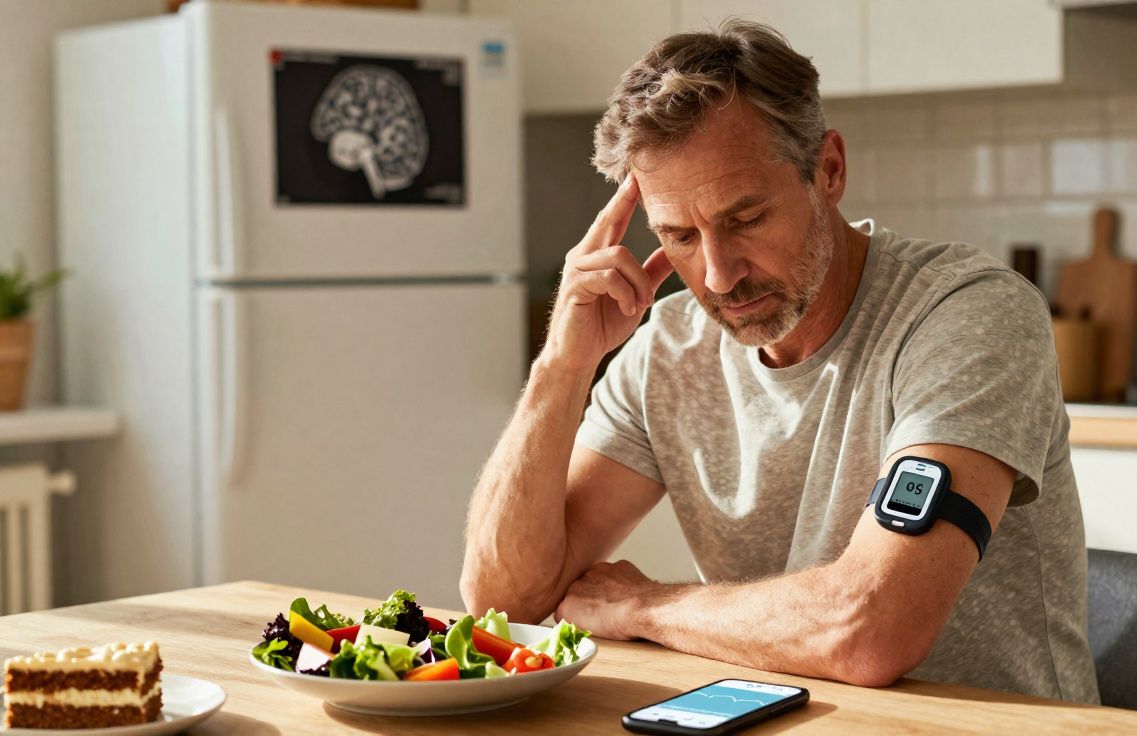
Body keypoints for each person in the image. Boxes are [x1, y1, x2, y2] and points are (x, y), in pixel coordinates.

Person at [460, 19, 1099, 703]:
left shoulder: (966, 315)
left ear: (828, 170)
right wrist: (563, 363)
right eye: (678, 235)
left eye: (745, 219)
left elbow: (869, 629)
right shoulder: (666, 349)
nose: (717, 274)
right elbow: (506, 605)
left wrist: (643, 607)